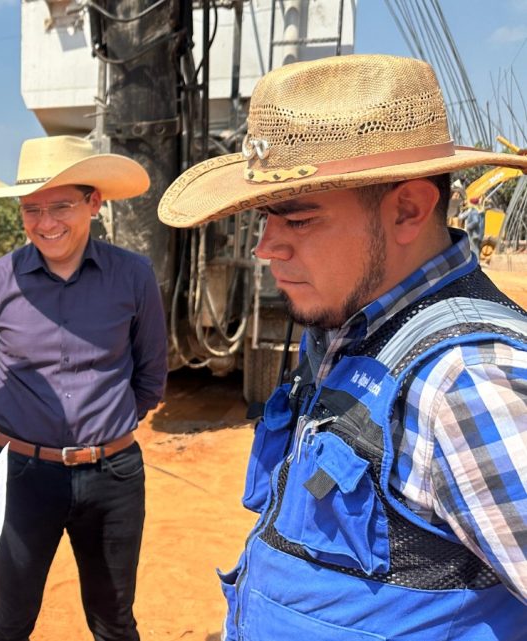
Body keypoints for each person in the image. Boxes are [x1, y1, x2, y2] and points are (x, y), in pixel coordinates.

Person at [158, 54, 527, 640]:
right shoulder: (344, 330)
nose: (266, 247)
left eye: (297, 221)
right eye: (264, 220)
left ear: (407, 209)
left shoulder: (467, 379)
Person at [0, 135, 167, 641]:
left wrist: (104, 435)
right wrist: (30, 437)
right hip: (20, 477)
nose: (46, 223)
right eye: (32, 209)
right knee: (10, 618)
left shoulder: (134, 277)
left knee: (114, 619)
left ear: (94, 203)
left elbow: (150, 377)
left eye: (61, 206)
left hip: (114, 477)